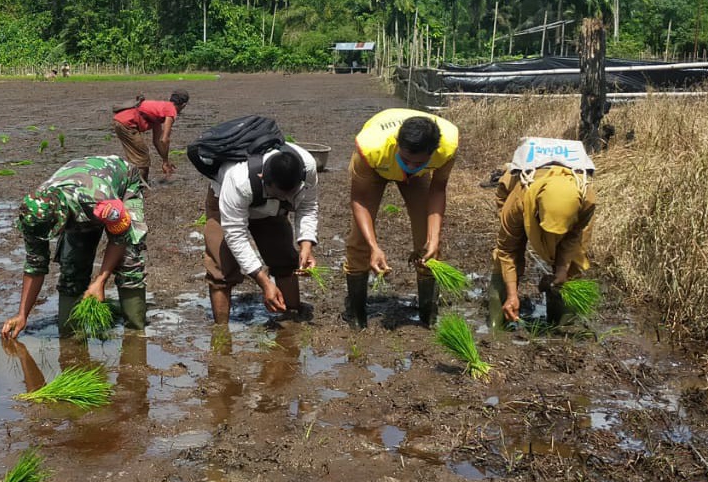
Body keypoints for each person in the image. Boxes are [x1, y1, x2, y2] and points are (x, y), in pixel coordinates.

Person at [1, 155, 147, 339]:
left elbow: (120, 238)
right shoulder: (34, 215)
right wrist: (22, 315)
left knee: (129, 260)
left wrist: (100, 281)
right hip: (77, 184)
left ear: (61, 216)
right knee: (72, 267)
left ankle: (135, 333)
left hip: (120, 181)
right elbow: (35, 264)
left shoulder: (96, 200)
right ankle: (71, 336)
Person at [344, 108, 459, 329]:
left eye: (419, 162)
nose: (411, 166)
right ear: (397, 144)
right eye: (407, 160)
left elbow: (438, 189)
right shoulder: (371, 147)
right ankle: (356, 314)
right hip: (377, 168)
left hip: (417, 180)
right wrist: (374, 246)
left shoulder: (447, 147)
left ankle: (428, 315)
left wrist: (434, 237)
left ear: (432, 152)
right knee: (359, 242)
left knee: (428, 243)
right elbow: (359, 200)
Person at [201, 142, 318, 324]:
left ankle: (292, 317)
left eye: (291, 194)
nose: (286, 199)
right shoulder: (238, 180)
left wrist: (306, 244)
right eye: (280, 194)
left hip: (271, 209)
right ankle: (221, 332)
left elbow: (308, 206)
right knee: (221, 267)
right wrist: (264, 282)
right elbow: (235, 234)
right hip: (225, 200)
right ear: (263, 178)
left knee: (284, 257)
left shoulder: (307, 167)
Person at [489, 137, 596, 329]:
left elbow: (573, 237)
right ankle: (498, 321)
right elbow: (507, 250)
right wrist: (512, 294)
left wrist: (562, 269)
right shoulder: (518, 200)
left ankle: (562, 324)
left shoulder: (586, 199)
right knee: (507, 258)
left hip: (566, 212)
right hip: (523, 201)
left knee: (573, 262)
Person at [111, 90, 189, 182]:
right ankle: (140, 185)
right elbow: (165, 140)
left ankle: (136, 182)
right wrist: (165, 161)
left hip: (120, 121)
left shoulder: (161, 109)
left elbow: (157, 141)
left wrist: (165, 161)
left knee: (139, 157)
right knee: (142, 159)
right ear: (184, 105)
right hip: (126, 124)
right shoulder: (171, 110)